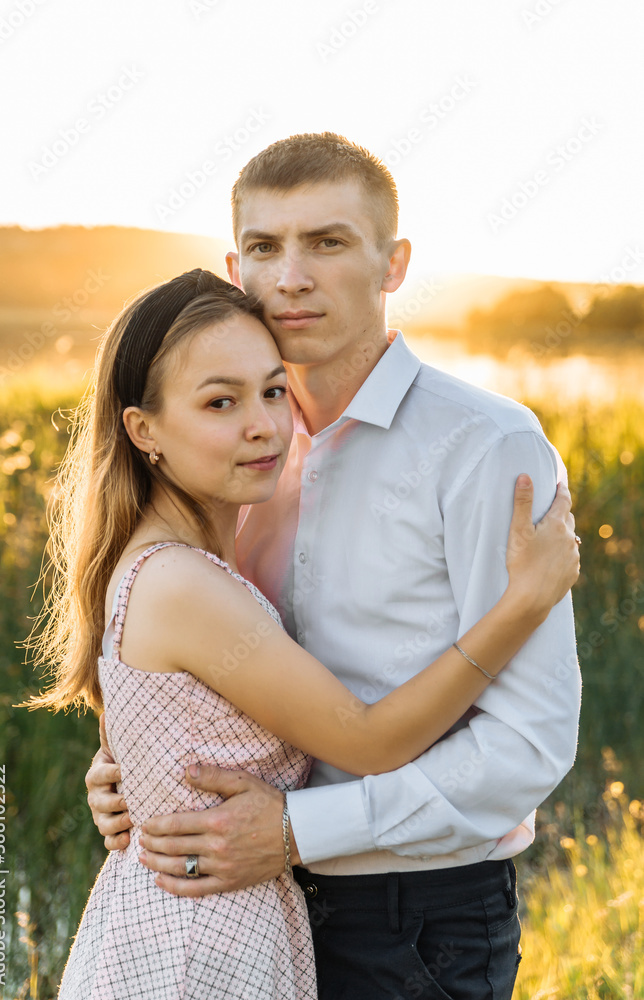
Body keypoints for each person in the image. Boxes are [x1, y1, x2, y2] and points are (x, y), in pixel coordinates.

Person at [85, 134, 582, 1000]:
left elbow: (527, 744)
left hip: (415, 916)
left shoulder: (484, 448)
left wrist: (296, 831)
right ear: (233, 265)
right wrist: (134, 771)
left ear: (394, 264)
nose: (292, 278)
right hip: (241, 901)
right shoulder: (240, 452)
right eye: (267, 249)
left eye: (328, 242)